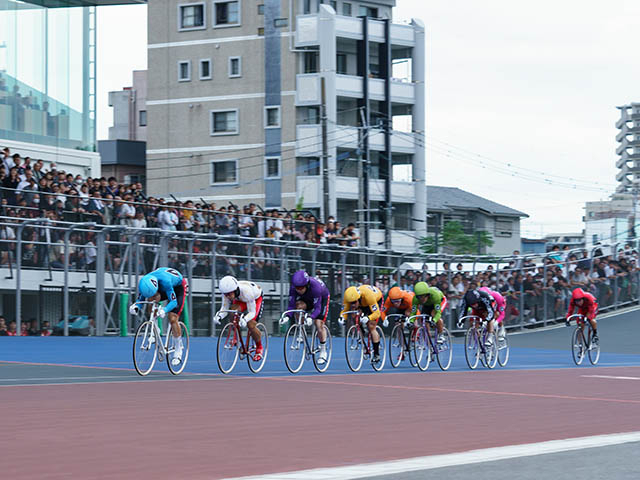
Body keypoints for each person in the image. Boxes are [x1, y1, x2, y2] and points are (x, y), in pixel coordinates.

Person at [129, 267, 188, 366]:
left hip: (178, 287)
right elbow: (141, 299)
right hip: (160, 286)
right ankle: (155, 329)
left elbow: (173, 302)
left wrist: (164, 310)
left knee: (172, 318)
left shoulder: (166, 282)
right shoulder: (144, 282)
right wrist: (136, 306)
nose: (152, 296)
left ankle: (178, 349)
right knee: (151, 302)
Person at [281, 270, 331, 363]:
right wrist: (287, 316)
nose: (299, 290)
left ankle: (323, 350)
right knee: (298, 307)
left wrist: (311, 317)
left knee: (318, 323)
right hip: (307, 298)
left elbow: (317, 308)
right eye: (297, 288)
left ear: (307, 284)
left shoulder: (316, 287)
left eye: (301, 288)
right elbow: (291, 305)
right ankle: (301, 330)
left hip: (321, 298)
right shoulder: (293, 288)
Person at [213, 275, 265, 361]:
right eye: (225, 294)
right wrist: (218, 316)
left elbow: (252, 312)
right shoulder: (227, 292)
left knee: (250, 324)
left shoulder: (247, 292)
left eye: (229, 294)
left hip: (255, 299)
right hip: (241, 299)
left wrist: (245, 319)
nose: (227, 296)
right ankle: (235, 337)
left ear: (235, 290)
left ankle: (259, 348)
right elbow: (224, 309)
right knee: (232, 311)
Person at [339, 284, 385, 363]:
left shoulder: (368, 297)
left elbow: (377, 313)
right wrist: (342, 318)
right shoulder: (348, 297)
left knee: (371, 326)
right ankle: (361, 332)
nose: (352, 305)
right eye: (351, 303)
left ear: (358, 298)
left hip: (375, 300)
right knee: (354, 314)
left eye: (354, 302)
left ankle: (376, 354)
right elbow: (345, 310)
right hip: (362, 303)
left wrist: (368, 318)